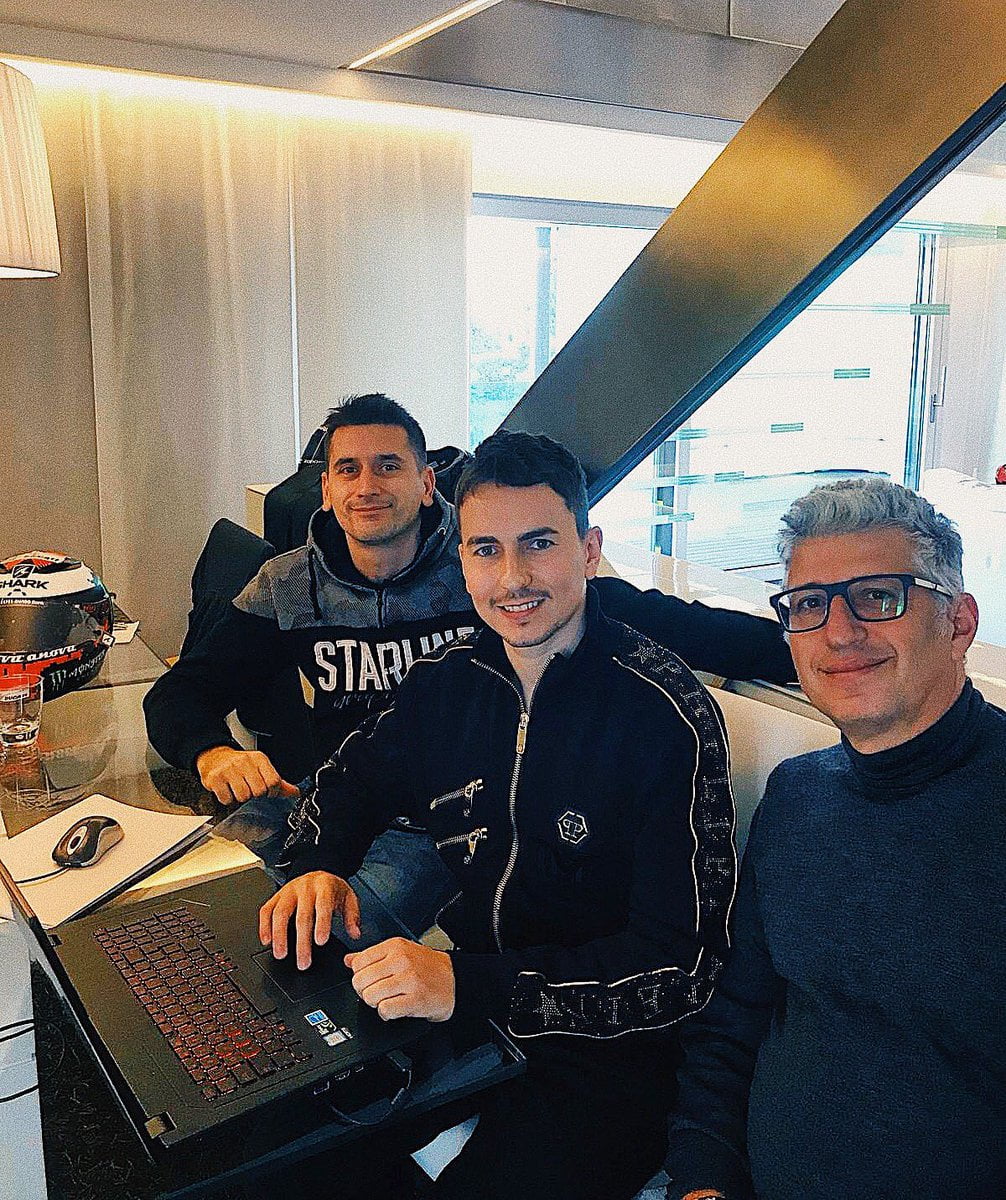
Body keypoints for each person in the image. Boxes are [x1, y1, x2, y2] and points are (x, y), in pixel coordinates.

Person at [259, 431, 739, 1200]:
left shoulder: (665, 713)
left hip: (609, 1059)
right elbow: (347, 781)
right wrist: (318, 866)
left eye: (539, 544)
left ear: (589, 550)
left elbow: (679, 970)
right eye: (487, 550)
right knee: (272, 1154)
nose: (512, 578)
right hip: (466, 1015)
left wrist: (466, 983)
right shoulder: (447, 683)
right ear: (464, 560)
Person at [145, 394, 793, 930]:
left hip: (442, 824)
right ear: (327, 489)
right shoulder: (288, 587)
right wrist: (214, 752)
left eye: (389, 466)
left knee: (301, 941)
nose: (367, 487)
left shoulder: (492, 580)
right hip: (333, 801)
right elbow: (182, 693)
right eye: (349, 470)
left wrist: (811, 643)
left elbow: (663, 621)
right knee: (188, 914)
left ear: (427, 482)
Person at [663, 477, 1006, 1200]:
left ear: (958, 622)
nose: (840, 633)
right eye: (809, 604)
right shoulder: (798, 795)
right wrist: (703, 1180)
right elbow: (732, 1025)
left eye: (879, 596)